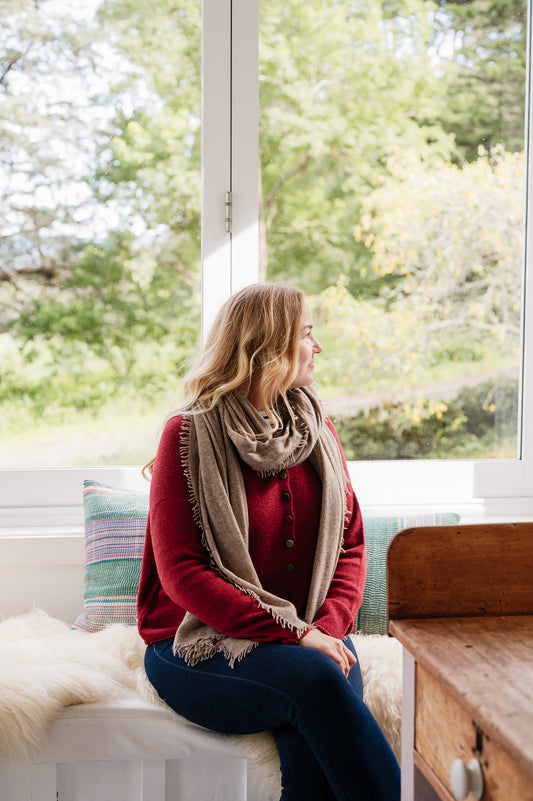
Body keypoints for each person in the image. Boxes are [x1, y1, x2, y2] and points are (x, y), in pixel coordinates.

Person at [137, 283, 400, 801]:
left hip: (313, 638)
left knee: (314, 766)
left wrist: (324, 630)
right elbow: (183, 574)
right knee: (319, 680)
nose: (317, 346)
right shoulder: (188, 435)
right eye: (306, 334)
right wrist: (298, 636)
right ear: (269, 347)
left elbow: (350, 548)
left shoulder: (317, 429)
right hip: (196, 645)